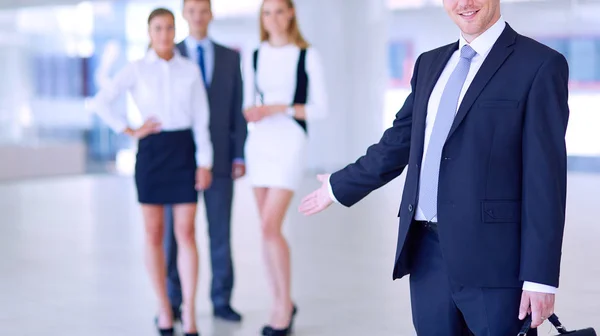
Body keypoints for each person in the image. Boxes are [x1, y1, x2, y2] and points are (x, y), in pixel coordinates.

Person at [299, 0, 570, 334]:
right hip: (426, 253)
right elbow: (399, 142)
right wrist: (339, 185)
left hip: (495, 260)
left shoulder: (540, 65)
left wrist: (541, 278)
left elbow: (545, 179)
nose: (465, 3)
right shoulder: (430, 64)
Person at [89, 8, 211, 336]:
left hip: (185, 151)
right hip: (152, 152)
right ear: (149, 32)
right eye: (158, 28)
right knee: (154, 234)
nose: (165, 34)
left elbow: (201, 120)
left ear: (175, 30)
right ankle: (164, 308)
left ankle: (190, 312)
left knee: (186, 234)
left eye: (170, 28)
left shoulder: (190, 70)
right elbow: (101, 101)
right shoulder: (136, 69)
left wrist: (205, 162)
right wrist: (128, 129)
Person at [243, 0, 328, 334]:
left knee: (269, 225)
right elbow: (247, 102)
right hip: (260, 143)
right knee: (267, 231)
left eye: (279, 11)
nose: (273, 18)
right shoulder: (253, 53)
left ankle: (284, 305)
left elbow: (320, 108)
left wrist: (279, 108)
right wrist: (253, 112)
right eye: (267, 13)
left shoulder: (307, 54)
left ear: (291, 13)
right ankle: (280, 301)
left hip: (290, 140)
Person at [163, 0, 247, 323]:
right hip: (181, 159)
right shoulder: (172, 53)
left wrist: (239, 153)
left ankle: (222, 299)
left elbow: (237, 108)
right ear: (184, 15)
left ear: (211, 14)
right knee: (176, 234)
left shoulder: (230, 56)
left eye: (203, 10)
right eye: (192, 10)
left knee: (220, 231)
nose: (198, 16)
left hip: (223, 159)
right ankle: (174, 301)